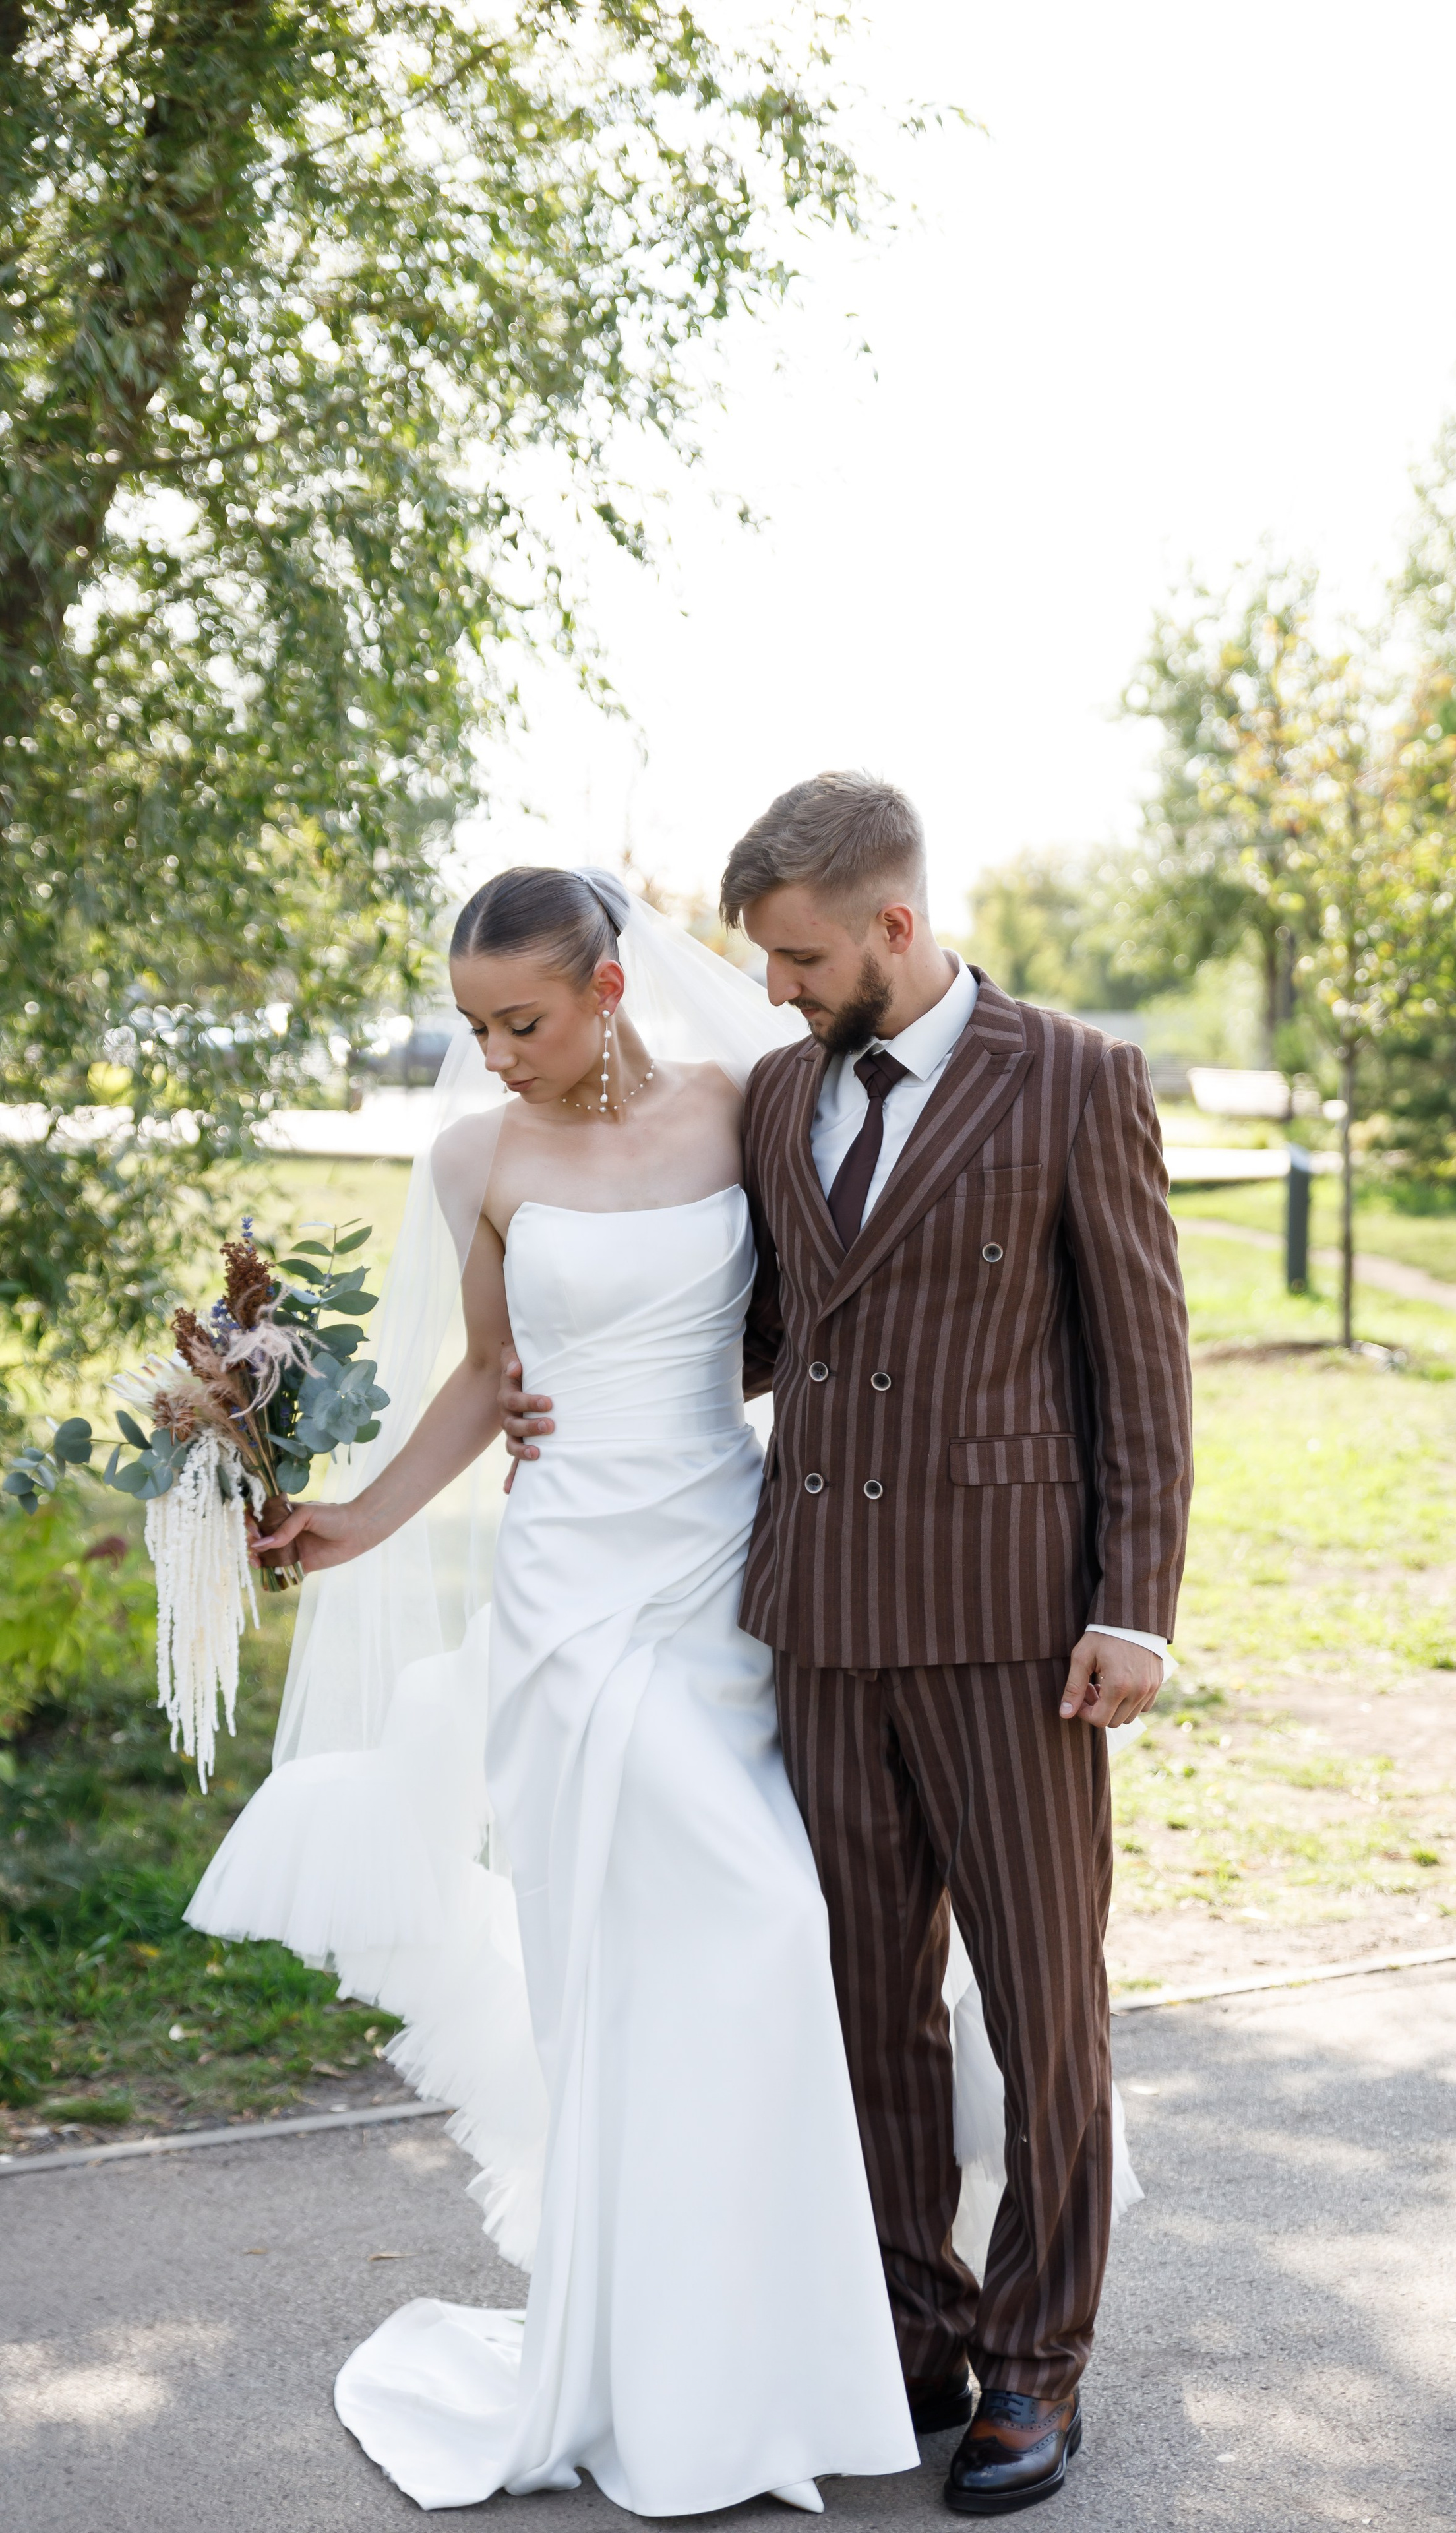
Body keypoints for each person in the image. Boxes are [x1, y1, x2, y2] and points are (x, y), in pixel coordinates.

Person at [501, 776, 1194, 2516]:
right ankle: (913, 2332)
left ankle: (1038, 2373)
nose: (778, 989)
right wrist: (552, 1399)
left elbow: (1143, 1367)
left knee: (1045, 2015)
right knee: (856, 2006)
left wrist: (1134, 1607)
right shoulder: (779, 1095)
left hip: (1014, 1631)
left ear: (894, 924)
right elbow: (741, 1326)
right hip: (807, 1615)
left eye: (802, 958)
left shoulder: (1076, 1080)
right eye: (766, 961)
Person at [188, 866, 918, 2516]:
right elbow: (485, 1379)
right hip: (572, 1596)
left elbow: (798, 1320)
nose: (493, 1053)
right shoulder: (478, 1156)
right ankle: (643, 2367)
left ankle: (760, 2364)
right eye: (471, 1026)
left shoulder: (744, 1105)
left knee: (744, 1953)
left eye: (520, 1021)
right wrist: (362, 1519)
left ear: (606, 988)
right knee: (668, 1957)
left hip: (724, 1570)